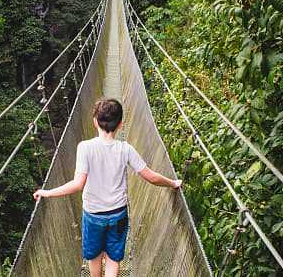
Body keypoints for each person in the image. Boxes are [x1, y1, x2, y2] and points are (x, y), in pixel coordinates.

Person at [32, 98, 182, 277]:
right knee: (113, 258)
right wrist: (173, 183)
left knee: (94, 257)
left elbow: (78, 184)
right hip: (118, 214)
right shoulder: (125, 149)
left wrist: (47, 192)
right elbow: (150, 176)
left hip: (93, 215)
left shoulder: (85, 148)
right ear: (120, 124)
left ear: (95, 121)